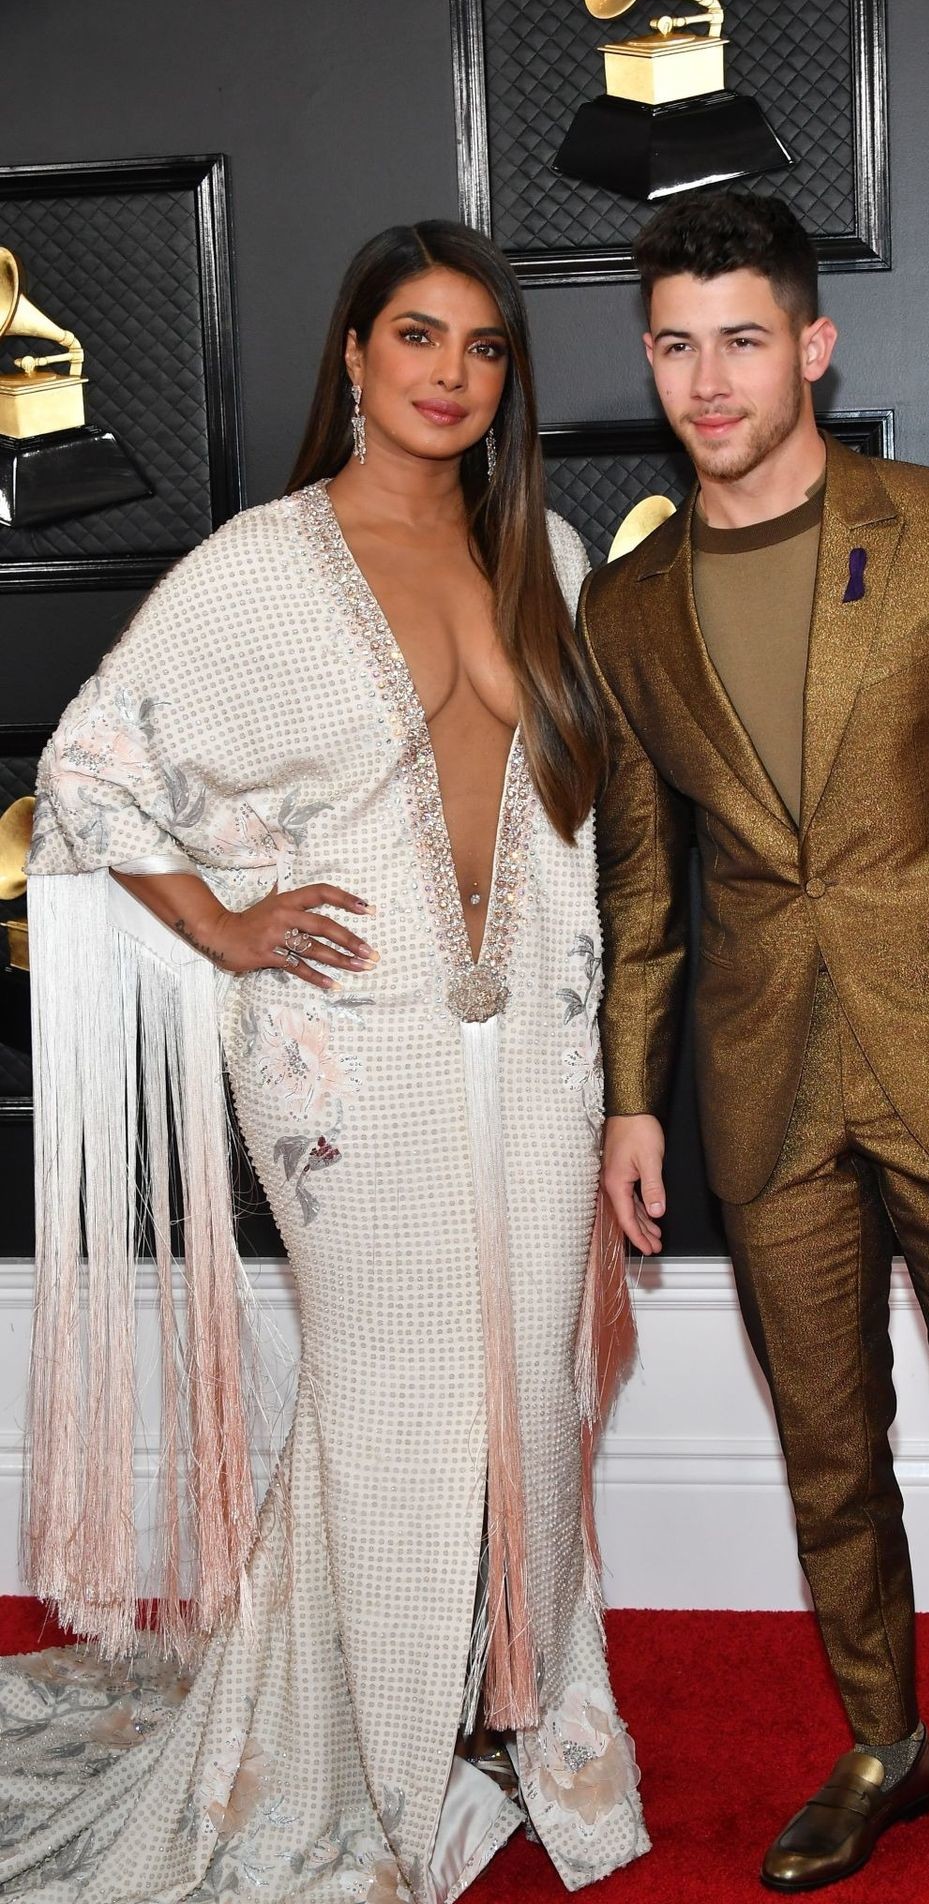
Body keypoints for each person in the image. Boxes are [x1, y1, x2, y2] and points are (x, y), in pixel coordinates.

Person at [0, 219, 647, 1902]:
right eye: (417, 335)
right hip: (345, 1055)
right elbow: (88, 770)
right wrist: (224, 927)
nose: (451, 374)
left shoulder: (547, 553)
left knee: (531, 1391)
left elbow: (590, 823)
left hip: (537, 1048)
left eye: (485, 347)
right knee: (394, 1396)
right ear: (354, 355)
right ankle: (361, 1760)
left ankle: (512, 1715)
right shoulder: (264, 566)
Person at [581, 188, 929, 1900]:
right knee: (827, 1451)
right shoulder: (627, 611)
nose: (709, 380)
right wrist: (629, 1098)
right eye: (676, 346)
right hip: (763, 1084)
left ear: (813, 346)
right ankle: (885, 1744)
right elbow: (643, 884)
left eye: (742, 340)